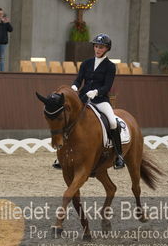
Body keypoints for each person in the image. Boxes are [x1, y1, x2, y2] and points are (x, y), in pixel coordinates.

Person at [52, 33, 125, 170]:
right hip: (83, 99)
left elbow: (107, 86)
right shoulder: (86, 63)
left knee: (113, 122)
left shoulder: (110, 66)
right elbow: (79, 79)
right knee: (67, 120)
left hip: (100, 100)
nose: (98, 49)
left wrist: (97, 92)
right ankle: (61, 155)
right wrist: (74, 86)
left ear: (107, 49)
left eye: (101, 47)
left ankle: (119, 155)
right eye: (96, 46)